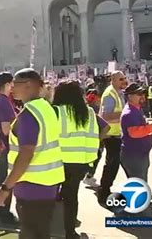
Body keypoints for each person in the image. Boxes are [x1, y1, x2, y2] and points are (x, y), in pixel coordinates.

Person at [0, 69, 64, 239]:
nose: (12, 87)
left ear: (28, 85)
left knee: (32, 234)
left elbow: (26, 154)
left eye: (15, 83)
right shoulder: (46, 108)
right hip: (48, 185)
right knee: (40, 232)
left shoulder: (29, 114)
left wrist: (5, 188)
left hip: (32, 187)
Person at [52, 80, 108, 238]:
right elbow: (106, 128)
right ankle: (70, 232)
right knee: (72, 197)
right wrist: (95, 141)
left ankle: (48, 227)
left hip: (57, 160)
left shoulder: (56, 111)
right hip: (81, 162)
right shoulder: (88, 112)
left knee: (50, 194)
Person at [0, 72, 18, 223]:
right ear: (7, 84)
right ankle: (3, 211)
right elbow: (6, 129)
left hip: (1, 144)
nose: (14, 86)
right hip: (7, 145)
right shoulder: (4, 101)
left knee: (0, 176)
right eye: (12, 83)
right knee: (7, 179)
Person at [120, 83, 152, 183]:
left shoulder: (136, 109)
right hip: (134, 155)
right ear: (129, 96)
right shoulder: (130, 113)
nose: (142, 96)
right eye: (138, 94)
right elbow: (134, 133)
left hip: (139, 154)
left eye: (142, 93)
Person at [97, 71, 128, 204]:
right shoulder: (110, 94)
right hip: (111, 135)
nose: (124, 81)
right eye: (121, 79)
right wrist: (125, 114)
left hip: (118, 134)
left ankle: (138, 189)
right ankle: (103, 192)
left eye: (125, 78)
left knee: (125, 163)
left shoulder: (119, 93)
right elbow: (106, 116)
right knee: (112, 165)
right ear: (113, 80)